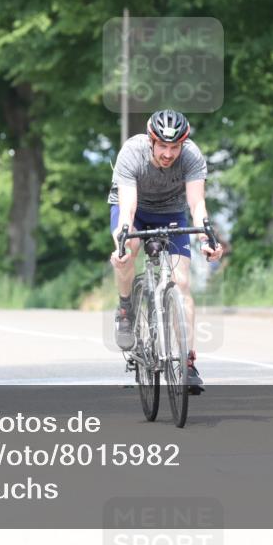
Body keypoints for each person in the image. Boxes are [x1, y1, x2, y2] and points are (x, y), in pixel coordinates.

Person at [108, 109, 224, 393]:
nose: (169, 154)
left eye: (175, 147)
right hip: (133, 210)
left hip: (172, 213)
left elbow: (197, 204)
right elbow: (128, 208)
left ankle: (187, 362)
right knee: (128, 249)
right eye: (162, 146)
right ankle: (125, 308)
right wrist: (122, 242)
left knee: (182, 282)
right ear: (151, 141)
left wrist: (207, 238)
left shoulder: (192, 156)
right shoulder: (132, 152)